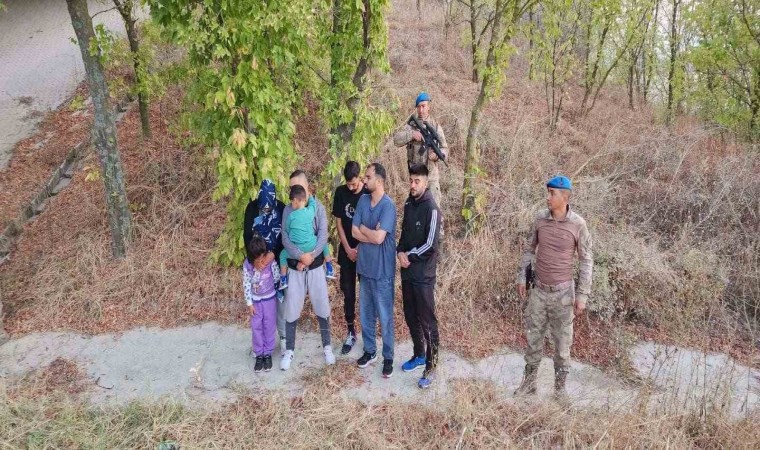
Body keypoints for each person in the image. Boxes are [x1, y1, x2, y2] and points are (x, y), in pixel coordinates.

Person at [514, 175, 593, 400]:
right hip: (539, 291)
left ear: (565, 197)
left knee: (562, 345)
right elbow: (529, 249)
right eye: (547, 192)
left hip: (563, 295)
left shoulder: (578, 224)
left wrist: (582, 295)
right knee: (533, 340)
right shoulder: (540, 219)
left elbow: (586, 260)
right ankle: (529, 385)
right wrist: (522, 277)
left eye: (552, 194)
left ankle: (560, 390)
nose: (548, 197)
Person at [279, 170, 335, 370]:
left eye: (298, 187)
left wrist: (310, 257)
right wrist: (298, 256)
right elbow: (285, 237)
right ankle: (290, 350)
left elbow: (322, 235)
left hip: (316, 265)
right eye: (291, 187)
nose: (294, 192)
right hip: (294, 268)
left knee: (321, 306)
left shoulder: (317, 207)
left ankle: (327, 346)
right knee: (292, 308)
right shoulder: (288, 210)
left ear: (307, 187)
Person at [397, 163, 442, 389]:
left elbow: (430, 245)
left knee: (427, 321)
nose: (413, 185)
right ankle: (419, 354)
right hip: (407, 273)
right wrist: (399, 252)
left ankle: (432, 366)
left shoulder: (431, 208)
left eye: (417, 181)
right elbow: (404, 235)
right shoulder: (408, 203)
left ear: (426, 183)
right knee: (410, 315)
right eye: (411, 180)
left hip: (423, 275)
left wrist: (409, 256)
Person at [352, 163, 397, 378]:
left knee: (385, 317)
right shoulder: (362, 200)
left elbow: (381, 239)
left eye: (368, 177)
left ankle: (388, 356)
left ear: (379, 180)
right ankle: (370, 351)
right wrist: (370, 232)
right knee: (366, 314)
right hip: (365, 268)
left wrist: (365, 231)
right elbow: (354, 231)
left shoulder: (388, 206)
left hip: (383, 272)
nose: (364, 180)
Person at [243, 179, 287, 355]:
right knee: (259, 307)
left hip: (276, 260)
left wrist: (273, 254)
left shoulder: (282, 208)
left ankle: (282, 338)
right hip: (256, 260)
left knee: (280, 301)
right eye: (263, 207)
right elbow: (247, 235)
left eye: (269, 208)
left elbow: (285, 235)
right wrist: (255, 260)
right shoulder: (251, 208)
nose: (266, 210)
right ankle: (259, 345)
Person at [331, 161, 368, 354]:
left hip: (364, 252)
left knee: (366, 292)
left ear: (360, 177)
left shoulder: (367, 194)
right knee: (348, 292)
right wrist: (347, 248)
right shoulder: (340, 192)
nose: (351, 187)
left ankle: (368, 332)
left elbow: (373, 226)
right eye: (348, 184)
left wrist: (359, 249)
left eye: (354, 183)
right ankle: (351, 331)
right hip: (346, 251)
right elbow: (338, 222)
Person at [393, 91, 449, 206]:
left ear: (429, 107)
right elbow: (396, 139)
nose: (421, 110)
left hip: (431, 179)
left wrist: (438, 156)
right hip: (416, 179)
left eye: (423, 106)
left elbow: (444, 149)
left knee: (433, 212)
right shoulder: (411, 126)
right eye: (418, 107)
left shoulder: (436, 127)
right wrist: (411, 135)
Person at [278, 185, 335, 289]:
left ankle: (283, 279)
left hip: (296, 248)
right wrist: (310, 195)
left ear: (295, 200)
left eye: (291, 202)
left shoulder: (291, 216)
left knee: (282, 255)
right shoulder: (310, 212)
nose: (291, 204)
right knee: (323, 243)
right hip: (311, 246)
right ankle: (329, 266)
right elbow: (313, 204)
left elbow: (287, 230)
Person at [242, 236, 280, 373]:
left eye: (262, 257)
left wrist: (274, 268)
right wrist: (249, 303)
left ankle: (268, 353)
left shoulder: (270, 261)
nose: (260, 261)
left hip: (269, 299)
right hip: (256, 301)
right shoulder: (248, 265)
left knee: (269, 325)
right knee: (256, 327)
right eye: (257, 259)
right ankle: (259, 354)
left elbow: (276, 277)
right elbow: (246, 283)